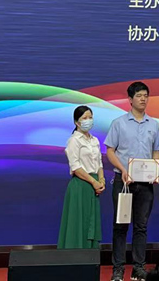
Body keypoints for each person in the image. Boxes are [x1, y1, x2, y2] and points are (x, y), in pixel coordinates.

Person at [106, 82, 159, 281]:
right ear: (130, 99)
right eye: (139, 95)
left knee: (141, 226)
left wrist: (155, 171)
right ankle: (118, 269)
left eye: (145, 95)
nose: (143, 99)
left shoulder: (154, 125)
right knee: (120, 226)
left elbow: (156, 152)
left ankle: (138, 268)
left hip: (145, 184)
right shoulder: (119, 123)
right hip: (123, 182)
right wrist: (123, 169)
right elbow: (110, 151)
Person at [58, 105, 105, 249]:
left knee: (91, 222)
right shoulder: (74, 140)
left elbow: (99, 163)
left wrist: (101, 180)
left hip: (94, 186)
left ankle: (91, 256)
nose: (88, 120)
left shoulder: (95, 140)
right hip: (81, 185)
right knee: (78, 223)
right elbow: (76, 167)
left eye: (90, 117)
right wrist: (93, 182)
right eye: (84, 118)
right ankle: (75, 256)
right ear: (76, 122)